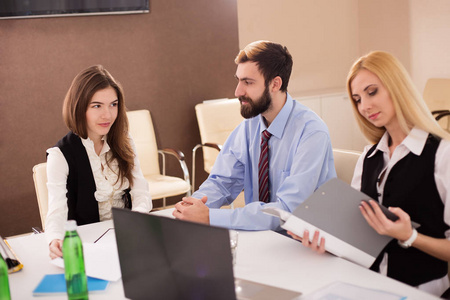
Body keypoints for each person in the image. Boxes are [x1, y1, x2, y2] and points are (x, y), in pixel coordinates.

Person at [289, 51, 450, 296]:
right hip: (366, 284)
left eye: (372, 92)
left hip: (420, 291)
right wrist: (324, 241)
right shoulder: (369, 157)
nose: (364, 106)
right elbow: (356, 233)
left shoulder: (442, 154)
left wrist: (410, 237)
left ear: (397, 87)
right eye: (357, 99)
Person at [173, 40, 336, 231]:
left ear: (275, 84)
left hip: (301, 242)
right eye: (238, 80)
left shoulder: (311, 132)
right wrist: (192, 208)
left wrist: (211, 217)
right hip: (260, 236)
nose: (237, 92)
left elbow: (286, 211)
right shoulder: (249, 127)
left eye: (248, 82)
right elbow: (222, 183)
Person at [45, 65, 152, 259]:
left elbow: (140, 192)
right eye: (97, 106)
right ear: (79, 107)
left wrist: (137, 219)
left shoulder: (124, 140)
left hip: (127, 238)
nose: (108, 115)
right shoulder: (59, 155)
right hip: (88, 245)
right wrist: (54, 239)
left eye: (113, 104)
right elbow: (56, 210)